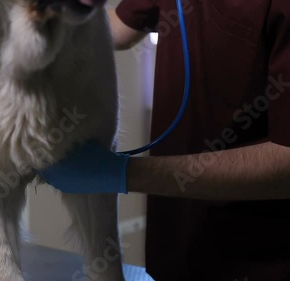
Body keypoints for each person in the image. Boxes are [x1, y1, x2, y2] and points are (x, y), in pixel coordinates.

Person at [39, 1, 290, 281]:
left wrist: (121, 173)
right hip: (177, 246)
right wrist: (47, 15)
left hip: (257, 258)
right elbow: (117, 28)